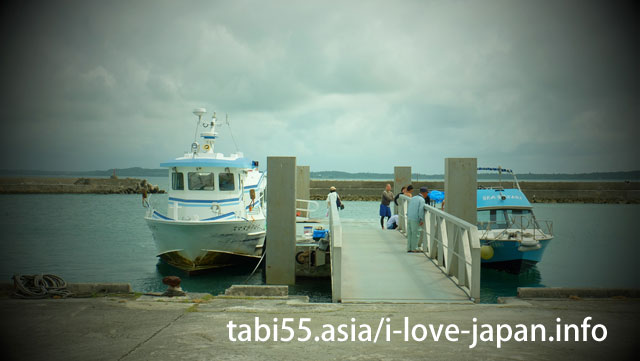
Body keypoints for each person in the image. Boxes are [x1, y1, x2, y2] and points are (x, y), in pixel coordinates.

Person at [406, 187, 429, 252]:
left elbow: (409, 207)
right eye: (427, 193)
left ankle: (409, 248)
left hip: (410, 217)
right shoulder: (421, 200)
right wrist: (421, 219)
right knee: (416, 234)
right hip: (415, 218)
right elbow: (420, 210)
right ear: (424, 193)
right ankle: (414, 248)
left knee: (410, 233)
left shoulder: (413, 198)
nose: (427, 194)